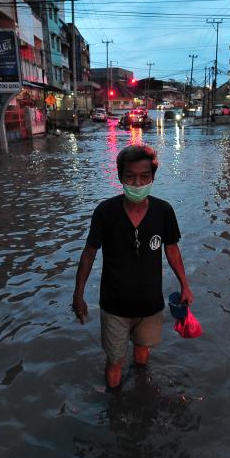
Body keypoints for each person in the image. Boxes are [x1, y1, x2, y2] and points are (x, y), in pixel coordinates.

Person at [72, 144, 194, 389]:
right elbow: (89, 254)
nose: (137, 183)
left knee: (142, 352)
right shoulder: (105, 212)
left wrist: (185, 285)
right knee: (115, 359)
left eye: (144, 177)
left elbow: (171, 249)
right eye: (130, 177)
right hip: (114, 304)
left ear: (153, 178)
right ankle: (114, 405)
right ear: (120, 177)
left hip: (150, 304)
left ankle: (140, 391)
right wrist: (78, 294)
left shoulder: (163, 211)